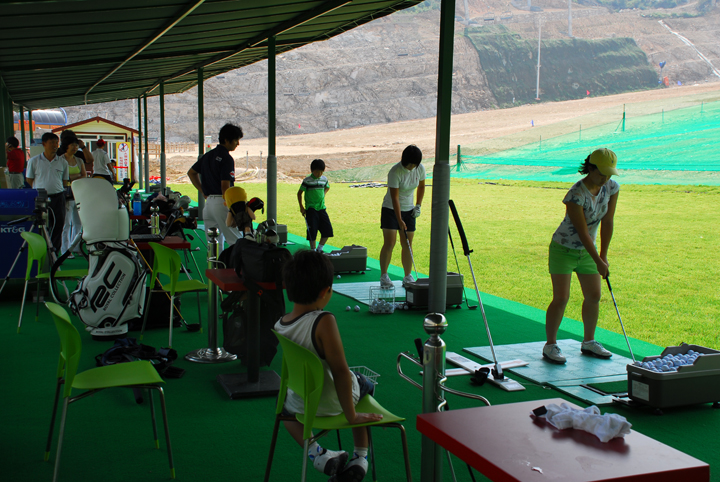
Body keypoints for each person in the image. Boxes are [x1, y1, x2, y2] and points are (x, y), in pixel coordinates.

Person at [275, 250, 382, 481]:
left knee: (284, 411)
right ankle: (360, 457)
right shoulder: (324, 321)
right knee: (365, 384)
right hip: (334, 404)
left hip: (299, 405)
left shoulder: (280, 324)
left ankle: (317, 454)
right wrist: (351, 416)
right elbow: (341, 372)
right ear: (325, 291)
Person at [543, 148, 620, 364]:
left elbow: (608, 221)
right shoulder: (575, 195)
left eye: (609, 174)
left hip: (589, 252)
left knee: (594, 295)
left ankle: (589, 342)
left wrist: (603, 256)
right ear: (590, 168)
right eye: (601, 173)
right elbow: (583, 231)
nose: (605, 178)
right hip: (563, 250)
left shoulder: (612, 187)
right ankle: (550, 345)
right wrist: (598, 261)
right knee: (561, 298)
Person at [187, 123, 246, 248]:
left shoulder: (208, 155)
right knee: (236, 241)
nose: (238, 144)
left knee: (213, 245)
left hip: (209, 205)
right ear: (227, 140)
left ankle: (215, 262)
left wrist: (203, 191)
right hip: (222, 203)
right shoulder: (227, 158)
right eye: (236, 140)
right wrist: (233, 211)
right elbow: (225, 188)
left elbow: (191, 173)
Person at [378, 145, 425, 288]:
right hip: (391, 209)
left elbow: (421, 186)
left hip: (409, 209)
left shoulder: (420, 169)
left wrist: (418, 205)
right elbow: (395, 197)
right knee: (390, 242)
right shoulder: (395, 171)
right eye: (410, 164)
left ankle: (407, 276)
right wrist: (399, 220)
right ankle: (384, 276)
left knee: (408, 244)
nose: (412, 167)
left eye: (414, 164)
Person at [25, 133, 69, 253]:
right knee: (42, 225)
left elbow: (64, 181)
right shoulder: (34, 161)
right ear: (44, 144)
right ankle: (41, 251)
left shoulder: (62, 162)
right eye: (52, 143)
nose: (55, 145)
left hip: (58, 197)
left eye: (56, 143)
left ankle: (54, 252)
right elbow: (29, 180)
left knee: (58, 224)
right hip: (41, 198)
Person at [59, 136, 86, 257]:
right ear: (66, 146)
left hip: (78, 194)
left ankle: (75, 246)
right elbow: (63, 178)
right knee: (67, 224)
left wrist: (72, 177)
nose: (75, 147)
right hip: (66, 195)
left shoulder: (79, 160)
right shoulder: (60, 160)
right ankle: (65, 250)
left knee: (78, 223)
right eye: (73, 145)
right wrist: (76, 176)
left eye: (76, 145)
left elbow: (84, 175)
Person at [297, 159, 333, 252]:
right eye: (317, 172)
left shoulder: (324, 179)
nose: (319, 174)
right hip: (311, 209)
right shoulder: (307, 181)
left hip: (322, 208)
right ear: (312, 170)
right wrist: (301, 207)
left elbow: (327, 187)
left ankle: (319, 249)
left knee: (327, 230)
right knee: (312, 231)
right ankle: (313, 250)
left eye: (321, 172)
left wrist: (323, 195)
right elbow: (299, 193)